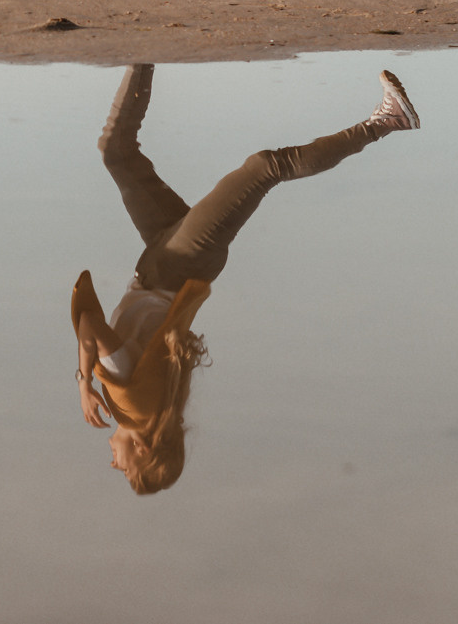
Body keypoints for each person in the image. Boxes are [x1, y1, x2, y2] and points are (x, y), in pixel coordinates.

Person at [70, 64, 421, 493]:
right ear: (143, 452)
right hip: (180, 261)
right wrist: (85, 383)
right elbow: (91, 328)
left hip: (163, 258)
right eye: (125, 470)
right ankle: (385, 123)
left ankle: (145, 54)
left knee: (117, 151)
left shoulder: (149, 408)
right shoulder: (134, 406)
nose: (114, 465)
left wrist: (88, 379)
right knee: (266, 167)